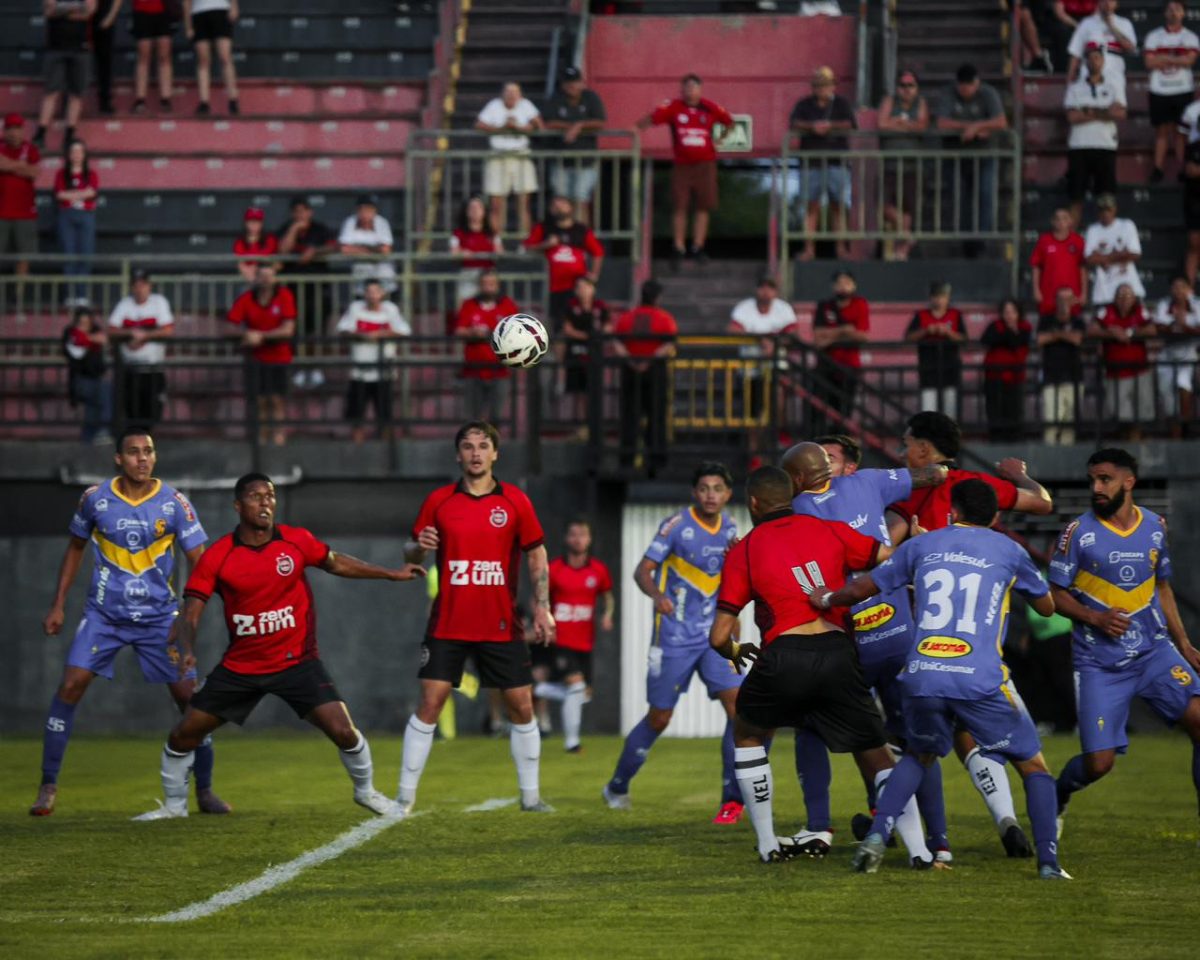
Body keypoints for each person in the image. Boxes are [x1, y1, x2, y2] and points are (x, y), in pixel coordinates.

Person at [814, 479, 1071, 880]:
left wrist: (827, 598)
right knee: (1034, 766)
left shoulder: (921, 545)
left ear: (953, 512)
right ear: (996, 516)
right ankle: (1049, 863)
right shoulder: (1009, 550)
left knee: (918, 754)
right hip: (979, 676)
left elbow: (864, 586)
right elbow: (1047, 607)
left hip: (922, 673)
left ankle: (878, 834)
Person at [133, 472, 425, 820]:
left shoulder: (295, 540)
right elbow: (192, 611)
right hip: (242, 667)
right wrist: (188, 648)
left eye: (270, 496)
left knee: (344, 731)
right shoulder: (218, 555)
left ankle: (366, 792)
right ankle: (174, 806)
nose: (265, 503)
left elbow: (336, 562)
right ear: (238, 505)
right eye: (255, 496)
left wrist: (391, 573)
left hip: (297, 662)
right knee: (184, 734)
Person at [710, 466, 933, 866]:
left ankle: (768, 844)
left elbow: (718, 636)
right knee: (877, 754)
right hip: (837, 651)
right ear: (791, 495)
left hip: (784, 654)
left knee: (747, 733)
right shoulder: (827, 528)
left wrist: (733, 650)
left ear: (754, 503)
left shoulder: (745, 548)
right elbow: (888, 558)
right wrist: (915, 542)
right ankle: (920, 851)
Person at [31, 428, 225, 816]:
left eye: (148, 451)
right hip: (104, 616)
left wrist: (188, 618)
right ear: (118, 459)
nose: (142, 458)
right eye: (134, 452)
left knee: (191, 701)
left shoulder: (174, 503)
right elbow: (75, 548)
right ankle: (48, 785)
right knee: (70, 685)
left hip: (160, 619)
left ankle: (205, 790)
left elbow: (201, 563)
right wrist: (58, 605)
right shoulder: (95, 499)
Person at [889, 411, 1054, 857]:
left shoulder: (910, 490)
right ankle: (1007, 820)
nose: (902, 453)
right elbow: (1042, 503)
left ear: (924, 448)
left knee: (927, 743)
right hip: (981, 635)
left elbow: (885, 550)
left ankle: (898, 827)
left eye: (906, 444)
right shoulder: (979, 486)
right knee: (994, 737)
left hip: (927, 637)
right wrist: (1020, 475)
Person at [784, 439, 949, 860]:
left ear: (799, 476)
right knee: (916, 739)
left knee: (816, 726)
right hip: (898, 633)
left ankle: (820, 827)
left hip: (848, 641)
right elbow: (934, 476)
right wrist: (939, 474)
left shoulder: (797, 510)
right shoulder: (872, 482)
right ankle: (937, 842)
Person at [398, 421, 556, 814]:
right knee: (430, 702)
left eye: (483, 446)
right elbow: (411, 553)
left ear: (495, 454)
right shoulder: (439, 501)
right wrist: (418, 548)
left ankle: (531, 797)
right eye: (468, 446)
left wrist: (542, 606)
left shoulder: (515, 501)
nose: (475, 453)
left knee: (521, 705)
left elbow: (537, 553)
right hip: (448, 622)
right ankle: (403, 798)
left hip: (499, 623)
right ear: (458, 455)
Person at [1050, 448, 1200, 840]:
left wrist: (1184, 644)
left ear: (1128, 481)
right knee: (1099, 764)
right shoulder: (1077, 533)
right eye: (1092, 480)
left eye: (1105, 479)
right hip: (1100, 664)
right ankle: (1059, 793)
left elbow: (1162, 587)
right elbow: (1055, 595)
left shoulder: (1154, 526)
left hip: (1154, 652)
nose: (1096, 488)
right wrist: (1095, 617)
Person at [603, 463, 748, 824]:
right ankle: (617, 786)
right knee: (660, 717)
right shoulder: (676, 525)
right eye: (704, 488)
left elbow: (732, 582)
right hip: (675, 637)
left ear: (728, 494)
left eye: (718, 488)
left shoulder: (731, 529)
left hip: (716, 637)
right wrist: (656, 595)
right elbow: (642, 570)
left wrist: (736, 625)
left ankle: (731, 801)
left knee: (740, 708)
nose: (711, 495)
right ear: (694, 492)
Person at [639, 74, 733, 269]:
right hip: (682, 164)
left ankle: (698, 247)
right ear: (681, 90)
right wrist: (635, 128)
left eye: (694, 87)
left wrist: (719, 141)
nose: (690, 91)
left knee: (703, 206)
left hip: (705, 164)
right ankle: (678, 247)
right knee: (679, 206)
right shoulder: (674, 107)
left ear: (700, 89)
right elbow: (653, 118)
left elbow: (729, 122)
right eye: (687, 87)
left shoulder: (710, 107)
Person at [542, 518, 614, 753]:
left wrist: (607, 615)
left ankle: (536, 689)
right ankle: (572, 742)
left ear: (589, 539)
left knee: (583, 694)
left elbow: (608, 596)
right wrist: (543, 620)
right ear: (566, 538)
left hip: (585, 642)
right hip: (560, 640)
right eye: (573, 534)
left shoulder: (598, 570)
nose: (578, 539)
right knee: (576, 686)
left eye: (582, 534)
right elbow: (540, 598)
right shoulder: (554, 569)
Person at [935, 64, 1008, 257]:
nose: (966, 90)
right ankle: (965, 238)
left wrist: (976, 127)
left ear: (977, 83)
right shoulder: (948, 94)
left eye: (970, 86)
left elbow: (1001, 122)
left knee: (985, 195)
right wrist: (972, 127)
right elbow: (942, 123)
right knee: (960, 198)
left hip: (984, 156)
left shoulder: (988, 93)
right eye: (963, 87)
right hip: (955, 156)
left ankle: (981, 238)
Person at [790, 66, 858, 261]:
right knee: (811, 207)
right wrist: (813, 127)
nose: (822, 89)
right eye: (819, 85)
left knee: (839, 206)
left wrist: (830, 126)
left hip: (837, 162)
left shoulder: (842, 104)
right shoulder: (804, 104)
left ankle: (841, 249)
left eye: (826, 85)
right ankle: (809, 249)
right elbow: (794, 123)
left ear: (833, 86)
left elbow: (850, 124)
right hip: (811, 163)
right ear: (814, 87)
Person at [227, 264, 297, 447]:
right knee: (260, 400)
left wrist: (261, 336)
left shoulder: (284, 296)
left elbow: (288, 329)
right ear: (256, 278)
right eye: (262, 275)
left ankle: (279, 435)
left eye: (269, 275)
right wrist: (246, 335)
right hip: (255, 359)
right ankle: (262, 436)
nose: (266, 279)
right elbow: (229, 326)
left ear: (275, 278)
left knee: (277, 399)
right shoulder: (247, 298)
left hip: (280, 357)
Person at [611, 279, 677, 471]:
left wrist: (631, 360)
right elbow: (669, 343)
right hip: (655, 371)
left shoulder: (627, 317)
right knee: (656, 416)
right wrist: (650, 360)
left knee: (629, 416)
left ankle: (627, 459)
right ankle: (656, 460)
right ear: (657, 298)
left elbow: (617, 342)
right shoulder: (664, 318)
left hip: (630, 371)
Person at [336, 277, 411, 444]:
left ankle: (385, 447)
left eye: (376, 291)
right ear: (364, 293)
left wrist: (382, 334)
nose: (372, 295)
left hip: (384, 370)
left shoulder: (390, 309)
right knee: (357, 412)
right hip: (359, 370)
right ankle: (357, 447)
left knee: (384, 413)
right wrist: (362, 335)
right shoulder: (355, 308)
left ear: (382, 293)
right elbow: (342, 330)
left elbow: (404, 331)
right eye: (369, 291)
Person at [728, 275, 797, 447]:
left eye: (770, 288)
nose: (766, 291)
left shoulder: (783, 308)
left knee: (778, 400)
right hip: (750, 368)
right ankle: (754, 451)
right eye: (762, 287)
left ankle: (780, 435)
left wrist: (774, 343)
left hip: (776, 364)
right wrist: (760, 340)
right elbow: (732, 330)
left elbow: (793, 333)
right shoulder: (745, 307)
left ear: (776, 291)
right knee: (752, 411)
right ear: (756, 289)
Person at [1064, 44, 1126, 227]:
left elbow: (1121, 113)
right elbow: (1072, 117)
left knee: (1106, 201)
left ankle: (1105, 239)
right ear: (1085, 62)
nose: (1094, 61)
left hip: (1105, 146)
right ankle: (1072, 242)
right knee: (1076, 198)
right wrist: (1105, 112)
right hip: (1079, 146)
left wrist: (1088, 111)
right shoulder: (1074, 88)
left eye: (1097, 57)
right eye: (1090, 58)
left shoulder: (1113, 86)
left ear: (1103, 60)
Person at [522, 193, 604, 328]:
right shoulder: (544, 228)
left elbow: (598, 252)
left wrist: (594, 275)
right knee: (556, 323)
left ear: (571, 207)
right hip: (553, 287)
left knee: (579, 319)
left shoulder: (581, 230)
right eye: (555, 205)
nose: (559, 208)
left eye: (562, 204)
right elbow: (526, 248)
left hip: (576, 287)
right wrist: (546, 245)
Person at [107, 269, 173, 428]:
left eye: (143, 285)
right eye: (136, 285)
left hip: (152, 368)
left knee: (151, 412)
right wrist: (130, 333)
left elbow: (168, 330)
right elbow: (111, 330)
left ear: (149, 286)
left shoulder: (158, 302)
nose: (139, 289)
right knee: (131, 413)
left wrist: (145, 336)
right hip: (130, 368)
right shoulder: (125, 304)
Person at [541, 66, 607, 225]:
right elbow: (547, 122)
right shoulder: (556, 98)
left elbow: (600, 122)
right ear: (562, 85)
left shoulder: (590, 97)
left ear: (582, 83)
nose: (571, 86)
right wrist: (570, 127)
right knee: (560, 202)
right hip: (561, 161)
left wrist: (579, 126)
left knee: (580, 200)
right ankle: (561, 233)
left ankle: (580, 235)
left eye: (575, 82)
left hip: (585, 161)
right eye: (568, 83)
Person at [476, 82, 543, 237]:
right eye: (508, 91)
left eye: (515, 92)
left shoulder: (525, 105)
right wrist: (502, 128)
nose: (511, 95)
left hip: (521, 155)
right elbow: (479, 125)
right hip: (498, 156)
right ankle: (496, 242)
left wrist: (519, 128)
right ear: (502, 94)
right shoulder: (494, 105)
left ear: (520, 95)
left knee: (524, 204)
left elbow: (539, 125)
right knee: (496, 205)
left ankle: (526, 242)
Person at [877, 69, 930, 261]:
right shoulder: (889, 101)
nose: (906, 89)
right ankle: (908, 237)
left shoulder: (921, 103)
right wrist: (908, 126)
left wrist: (898, 123)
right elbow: (882, 124)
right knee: (884, 205)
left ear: (916, 87)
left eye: (910, 85)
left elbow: (921, 126)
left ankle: (902, 250)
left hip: (912, 165)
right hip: (890, 164)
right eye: (903, 85)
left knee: (907, 207)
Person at [1091, 282, 1155, 439]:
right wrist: (1112, 333)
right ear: (1114, 298)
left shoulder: (1140, 310)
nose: (1124, 299)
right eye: (1120, 295)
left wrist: (1131, 333)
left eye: (1128, 295)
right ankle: (1126, 442)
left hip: (1139, 371)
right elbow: (1092, 330)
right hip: (1115, 372)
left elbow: (1152, 329)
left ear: (1134, 298)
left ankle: (1136, 443)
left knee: (1140, 415)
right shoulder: (1107, 311)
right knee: (1120, 416)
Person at [454, 269, 518, 424]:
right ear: (479, 286)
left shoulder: (507, 305)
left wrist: (492, 333)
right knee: (473, 417)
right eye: (485, 284)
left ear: (498, 286)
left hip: (499, 369)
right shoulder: (469, 304)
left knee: (496, 416)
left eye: (492, 284)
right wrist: (472, 332)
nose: (488, 288)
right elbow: (459, 330)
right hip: (473, 369)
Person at [1145, 1, 1198, 183]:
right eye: (1170, 9)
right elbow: (1149, 62)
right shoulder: (1154, 36)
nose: (1174, 12)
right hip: (1159, 89)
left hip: (1182, 88)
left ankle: (1182, 169)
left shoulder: (1190, 37)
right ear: (1165, 13)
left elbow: (1190, 61)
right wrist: (1176, 58)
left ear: (1183, 13)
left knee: (1180, 132)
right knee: (1161, 131)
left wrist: (1162, 57)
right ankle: (1158, 169)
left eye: (1178, 9)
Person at [812, 270, 869, 432]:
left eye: (847, 283)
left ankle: (840, 443)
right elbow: (818, 337)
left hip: (849, 367)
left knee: (844, 414)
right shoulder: (824, 306)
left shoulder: (860, 304)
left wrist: (830, 338)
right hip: (825, 367)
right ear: (833, 286)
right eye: (839, 283)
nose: (843, 287)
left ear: (854, 286)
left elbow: (863, 336)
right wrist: (844, 330)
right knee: (819, 412)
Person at [34, 0, 96, 151]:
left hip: (80, 48)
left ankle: (69, 135)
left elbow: (89, 11)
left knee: (76, 94)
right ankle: (40, 134)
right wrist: (76, 8)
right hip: (56, 47)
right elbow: (49, 11)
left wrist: (61, 10)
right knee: (51, 92)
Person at [905, 281, 965, 417]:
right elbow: (908, 337)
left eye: (942, 297)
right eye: (936, 296)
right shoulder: (921, 315)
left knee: (950, 406)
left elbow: (964, 339)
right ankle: (929, 430)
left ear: (948, 298)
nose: (939, 300)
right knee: (928, 406)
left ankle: (948, 430)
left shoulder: (955, 314)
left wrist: (948, 333)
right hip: (928, 367)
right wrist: (926, 331)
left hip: (950, 367)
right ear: (931, 298)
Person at [104, 0, 175, 114]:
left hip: (163, 11)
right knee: (143, 56)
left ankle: (166, 98)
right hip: (141, 11)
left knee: (164, 55)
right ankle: (140, 99)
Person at [276, 195, 336, 327]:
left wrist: (315, 251)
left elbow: (333, 246)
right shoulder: (285, 229)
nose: (300, 215)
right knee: (294, 325)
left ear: (310, 212)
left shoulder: (319, 228)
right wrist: (294, 229)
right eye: (296, 211)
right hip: (292, 287)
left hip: (317, 287)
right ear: (292, 213)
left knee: (318, 323)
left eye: (303, 211)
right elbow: (283, 251)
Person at [1037, 287, 1086, 444]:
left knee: (1069, 423)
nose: (1064, 302)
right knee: (1050, 420)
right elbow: (1040, 340)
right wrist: (1066, 335)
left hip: (1074, 377)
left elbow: (1077, 339)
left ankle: (1066, 453)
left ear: (1073, 301)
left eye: (1068, 298)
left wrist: (1055, 334)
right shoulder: (1046, 320)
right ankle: (1049, 452)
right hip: (1051, 377)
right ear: (1056, 301)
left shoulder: (1078, 321)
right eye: (1061, 298)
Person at [981, 298, 1034, 441]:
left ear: (1018, 313)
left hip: (1015, 377)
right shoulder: (995, 326)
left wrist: (1007, 335)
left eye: (1012, 312)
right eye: (1006, 312)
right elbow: (986, 340)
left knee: (1014, 409)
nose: (1009, 315)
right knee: (995, 409)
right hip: (994, 376)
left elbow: (1017, 342)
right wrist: (1008, 334)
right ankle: (996, 437)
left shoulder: (1025, 327)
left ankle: (1015, 437)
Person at [54, 138, 99, 303]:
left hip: (86, 215)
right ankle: (70, 294)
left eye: (80, 151)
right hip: (66, 215)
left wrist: (71, 195)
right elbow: (59, 194)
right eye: (73, 151)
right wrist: (81, 194)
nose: (77, 154)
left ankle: (82, 295)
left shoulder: (91, 174)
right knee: (68, 254)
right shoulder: (61, 173)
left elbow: (92, 192)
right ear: (68, 154)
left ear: (85, 154)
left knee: (85, 254)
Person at [1154, 273, 1200, 434]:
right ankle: (1175, 431)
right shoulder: (1163, 304)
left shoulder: (1197, 304)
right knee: (1167, 394)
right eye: (1175, 287)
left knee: (1183, 384)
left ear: (1188, 289)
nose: (1179, 290)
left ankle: (1184, 425)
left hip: (1188, 352)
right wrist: (1175, 325)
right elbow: (1158, 327)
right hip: (1167, 353)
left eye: (1182, 287)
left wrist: (1185, 327)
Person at [561, 274, 610, 423]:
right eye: (579, 287)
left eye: (586, 287)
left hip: (594, 355)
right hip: (576, 354)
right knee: (578, 392)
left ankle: (594, 422)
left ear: (593, 289)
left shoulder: (600, 306)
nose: (583, 290)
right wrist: (586, 336)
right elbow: (567, 329)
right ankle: (579, 423)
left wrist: (598, 335)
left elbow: (608, 326)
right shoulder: (571, 306)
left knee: (593, 389)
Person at [61, 303, 112, 443]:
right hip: (80, 379)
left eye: (87, 323)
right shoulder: (71, 333)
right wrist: (89, 338)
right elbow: (74, 352)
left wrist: (89, 338)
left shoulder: (96, 330)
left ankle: (90, 436)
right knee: (100, 393)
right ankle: (102, 430)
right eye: (81, 323)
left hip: (97, 377)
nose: (84, 326)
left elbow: (104, 341)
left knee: (94, 404)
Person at [0, 114, 41, 286]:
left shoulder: (31, 149)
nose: (13, 133)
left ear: (23, 130)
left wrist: (9, 165)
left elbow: (34, 172)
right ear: (4, 131)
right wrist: (22, 166)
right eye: (10, 129)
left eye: (17, 128)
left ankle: (19, 296)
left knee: (24, 257)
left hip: (25, 213)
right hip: (1, 212)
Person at [1084, 193, 1143, 306]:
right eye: (1102, 210)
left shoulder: (1127, 225)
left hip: (1129, 287)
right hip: (1103, 291)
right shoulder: (1093, 230)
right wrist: (1121, 254)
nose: (1105, 214)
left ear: (1115, 209)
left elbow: (1135, 254)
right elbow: (1089, 259)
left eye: (1108, 210)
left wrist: (1103, 258)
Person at [1030, 207, 1087, 322]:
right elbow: (1036, 267)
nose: (1061, 222)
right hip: (1048, 294)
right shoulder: (1044, 241)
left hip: (1072, 294)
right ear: (1052, 221)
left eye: (1064, 218)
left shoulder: (1078, 241)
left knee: (1073, 326)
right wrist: (1036, 290)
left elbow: (1083, 268)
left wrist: (1084, 293)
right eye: (1057, 219)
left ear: (1070, 221)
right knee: (1047, 325)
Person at [184, 0, 239, 116]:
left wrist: (234, 6)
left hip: (221, 10)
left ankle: (233, 100)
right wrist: (188, 25)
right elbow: (186, 1)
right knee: (203, 60)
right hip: (198, 13)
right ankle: (204, 102)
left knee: (225, 57)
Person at [338, 194, 396, 296]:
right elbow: (345, 249)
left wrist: (358, 249)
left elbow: (385, 250)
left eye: (369, 209)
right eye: (361, 209)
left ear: (374, 210)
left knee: (385, 300)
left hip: (382, 269)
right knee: (361, 299)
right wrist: (374, 250)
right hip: (361, 269)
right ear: (357, 210)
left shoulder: (382, 222)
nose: (365, 213)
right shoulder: (350, 222)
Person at [1066, 0, 1138, 82]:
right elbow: (1076, 53)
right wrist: (1070, 79)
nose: (1107, 4)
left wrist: (1111, 26)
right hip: (1089, 71)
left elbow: (1131, 48)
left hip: (1114, 71)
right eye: (1104, 1)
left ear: (1116, 4)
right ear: (1098, 3)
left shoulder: (1124, 23)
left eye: (1111, 1)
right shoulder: (1086, 23)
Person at [450, 194, 502, 305]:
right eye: (472, 208)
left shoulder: (492, 233)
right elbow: (454, 252)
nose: (475, 211)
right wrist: (462, 253)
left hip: (488, 275)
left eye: (478, 207)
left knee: (488, 305)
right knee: (465, 304)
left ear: (484, 211)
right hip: (468, 274)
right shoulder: (458, 233)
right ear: (466, 212)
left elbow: (500, 252)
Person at [233, 207, 278, 285]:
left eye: (257, 221)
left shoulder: (270, 239)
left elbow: (276, 262)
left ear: (262, 223)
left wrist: (256, 268)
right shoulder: (240, 242)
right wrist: (252, 276)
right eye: (251, 221)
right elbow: (240, 264)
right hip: (248, 280)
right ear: (245, 223)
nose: (254, 224)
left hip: (267, 280)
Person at [93, 0, 117, 114]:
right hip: (81, 19)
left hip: (105, 16)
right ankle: (68, 101)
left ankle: (105, 100)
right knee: (73, 59)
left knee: (105, 61)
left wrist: (111, 16)